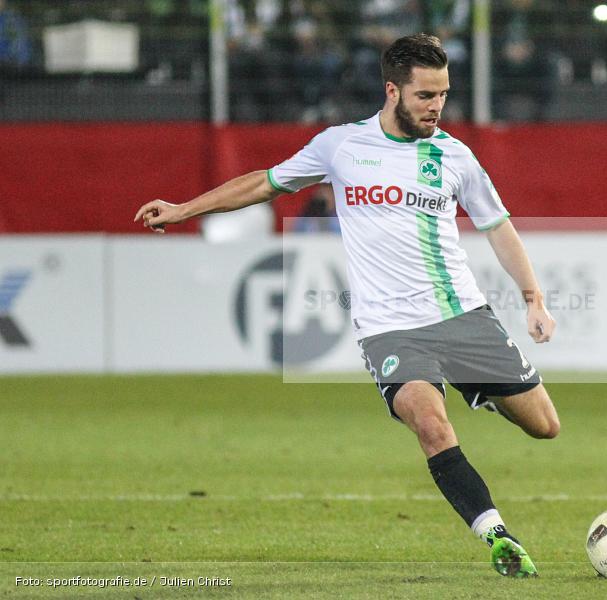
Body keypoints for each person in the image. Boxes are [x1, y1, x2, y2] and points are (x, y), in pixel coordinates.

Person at [134, 33, 559, 578]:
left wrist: (534, 299)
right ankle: (497, 535)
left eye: (444, 95)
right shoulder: (341, 146)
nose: (437, 107)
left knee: (545, 426)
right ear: (392, 90)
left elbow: (498, 227)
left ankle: (484, 391)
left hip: (461, 316)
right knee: (431, 424)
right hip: (389, 330)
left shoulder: (455, 156)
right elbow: (263, 185)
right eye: (426, 95)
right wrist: (185, 208)